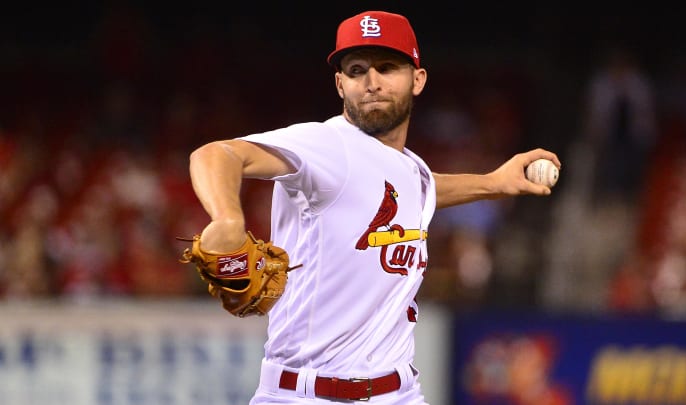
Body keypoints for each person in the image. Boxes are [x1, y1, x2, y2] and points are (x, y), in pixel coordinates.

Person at [187, 10, 560, 404]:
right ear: (339, 84)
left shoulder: (408, 168)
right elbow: (218, 154)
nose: (372, 82)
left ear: (417, 80)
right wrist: (227, 216)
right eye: (357, 69)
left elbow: (422, 187)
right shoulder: (326, 146)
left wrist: (493, 184)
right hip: (305, 394)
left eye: (387, 67)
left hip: (399, 392)